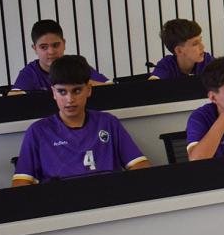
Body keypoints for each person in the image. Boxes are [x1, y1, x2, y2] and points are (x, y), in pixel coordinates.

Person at [12, 55, 149, 185]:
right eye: (62, 91)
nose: (70, 99)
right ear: (53, 92)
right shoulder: (38, 131)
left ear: (88, 90)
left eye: (77, 91)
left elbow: (140, 165)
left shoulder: (108, 122)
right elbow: (21, 182)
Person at [9, 19, 110, 93]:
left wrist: (82, 83)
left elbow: (111, 87)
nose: (51, 51)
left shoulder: (77, 65)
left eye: (55, 45)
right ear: (35, 48)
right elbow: (13, 98)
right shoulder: (30, 72)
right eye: (44, 47)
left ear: (64, 43)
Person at [149, 19, 214, 79]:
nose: (202, 46)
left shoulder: (208, 61)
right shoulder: (166, 65)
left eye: (201, 41)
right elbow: (152, 87)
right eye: (195, 44)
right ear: (179, 51)